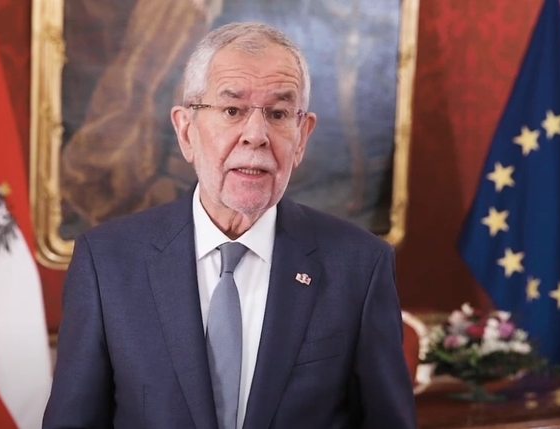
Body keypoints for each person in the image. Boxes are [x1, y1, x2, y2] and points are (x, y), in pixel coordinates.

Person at [43, 22, 416, 429]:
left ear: (302, 136)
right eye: (232, 110)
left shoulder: (359, 267)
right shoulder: (108, 263)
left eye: (278, 114)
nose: (256, 136)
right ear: (186, 131)